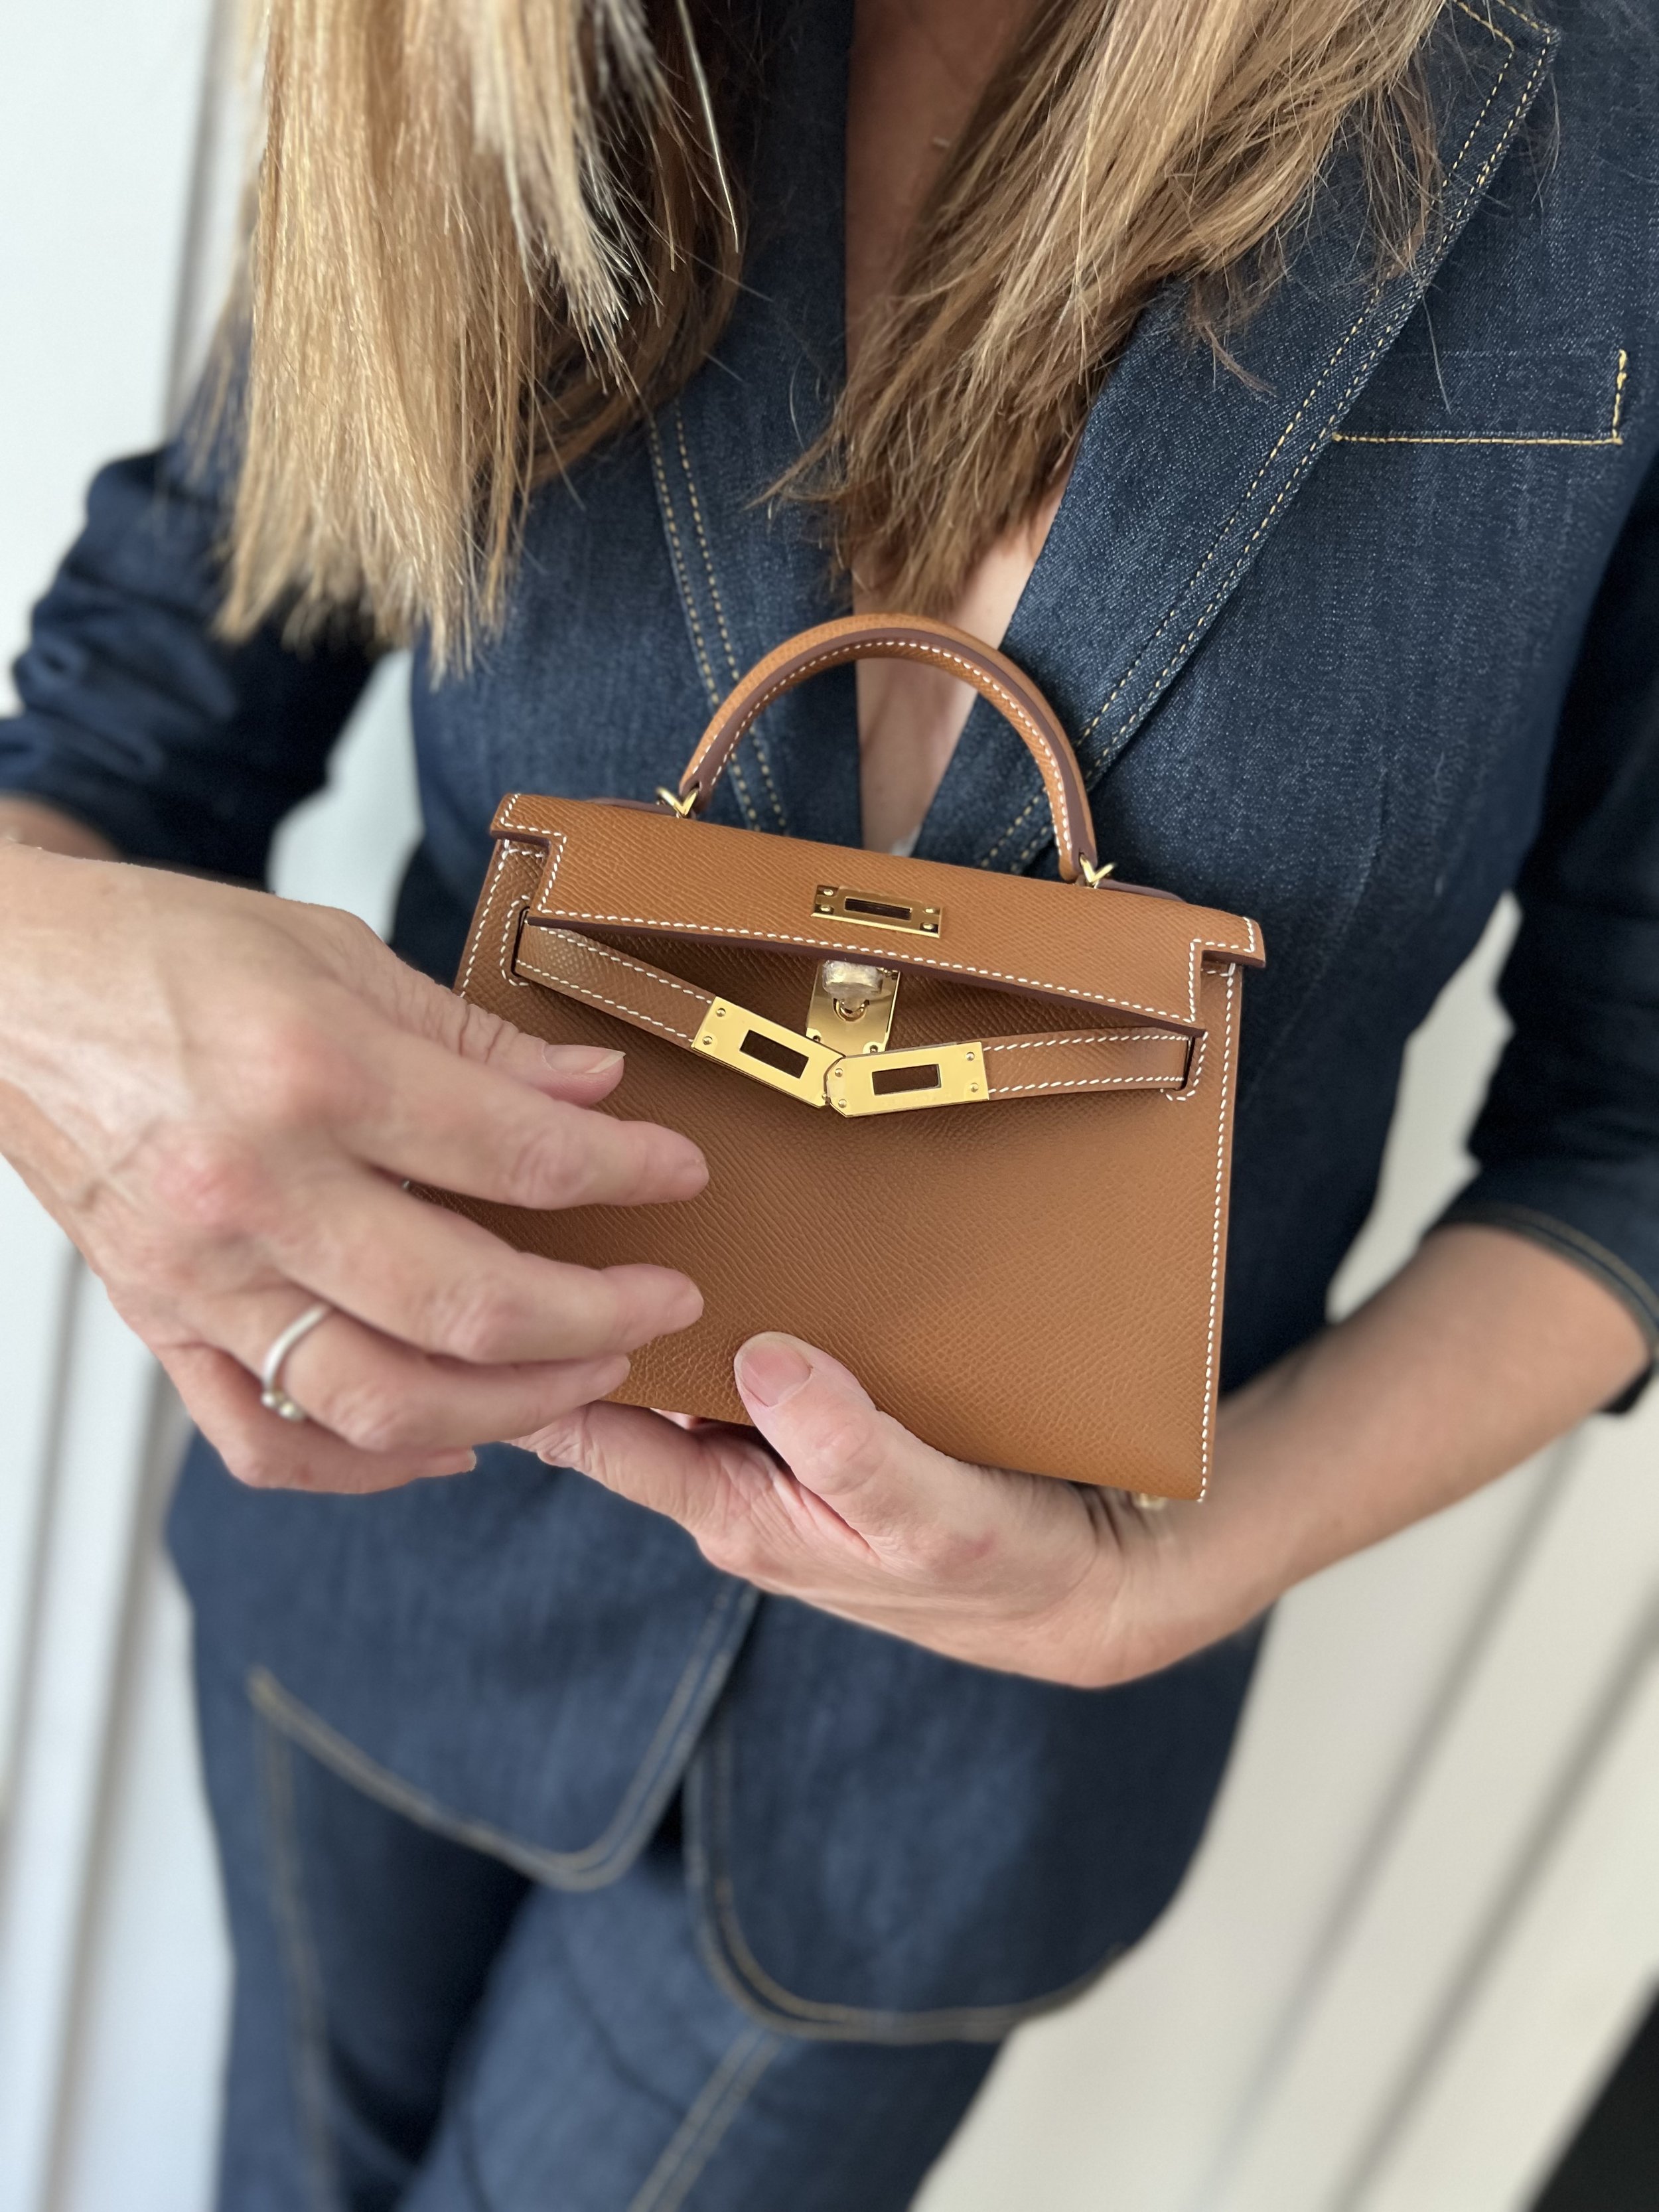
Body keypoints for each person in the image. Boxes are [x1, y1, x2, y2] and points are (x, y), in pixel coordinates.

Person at [1, 0, 1655, 2202]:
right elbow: (116, 740)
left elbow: (1630, 1120)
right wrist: (50, 1022)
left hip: (963, 1774)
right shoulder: (497, 51)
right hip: (394, 1553)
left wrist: (1158, 1580)